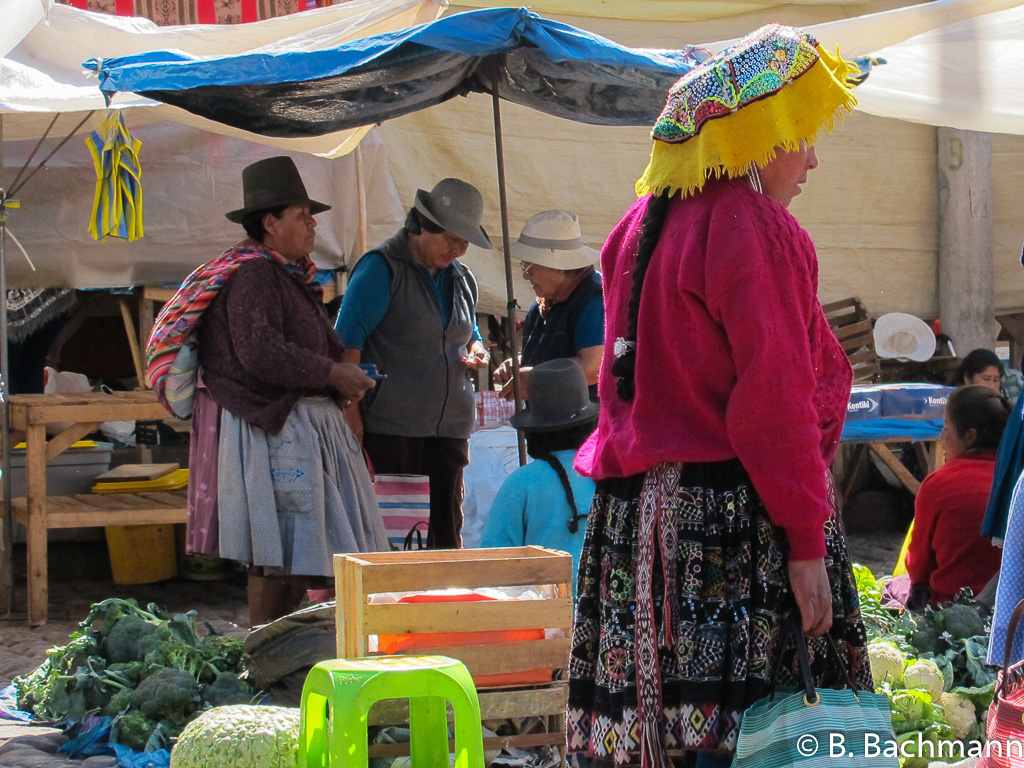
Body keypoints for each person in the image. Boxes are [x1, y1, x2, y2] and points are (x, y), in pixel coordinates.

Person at [566, 25, 871, 768]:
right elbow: (775, 404)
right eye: (799, 134)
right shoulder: (754, 225)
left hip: (633, 522)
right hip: (732, 523)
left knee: (654, 735)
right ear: (758, 140)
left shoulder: (633, 229)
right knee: (756, 736)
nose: (812, 157)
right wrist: (804, 543)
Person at [147, 156, 388, 626]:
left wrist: (337, 374)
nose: (313, 223)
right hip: (274, 427)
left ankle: (276, 646)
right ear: (271, 223)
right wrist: (332, 374)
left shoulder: (284, 275)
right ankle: (262, 646)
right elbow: (259, 352)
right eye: (302, 215)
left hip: (295, 424)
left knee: (293, 551)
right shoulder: (254, 275)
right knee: (280, 549)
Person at [335, 178, 492, 549]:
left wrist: (478, 348)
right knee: (400, 538)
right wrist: (352, 420)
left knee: (445, 533)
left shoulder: (461, 279)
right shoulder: (381, 270)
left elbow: (467, 330)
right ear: (422, 226)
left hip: (449, 431)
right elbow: (346, 346)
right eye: (451, 238)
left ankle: (446, 605)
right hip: (393, 430)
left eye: (464, 242)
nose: (458, 249)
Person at [480, 359, 599, 590]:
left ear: (533, 430)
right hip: (610, 618)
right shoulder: (612, 479)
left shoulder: (521, 483)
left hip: (541, 619)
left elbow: (494, 565)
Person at [905, 386, 1009, 609]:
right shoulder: (1016, 480)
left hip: (952, 616)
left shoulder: (938, 484)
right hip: (1013, 614)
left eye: (946, 429)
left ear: (970, 436)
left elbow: (919, 568)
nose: (941, 438)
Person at [494, 210, 603, 402]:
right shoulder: (544, 303)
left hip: (585, 426)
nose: (525, 276)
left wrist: (535, 377)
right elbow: (551, 357)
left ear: (557, 264)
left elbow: (593, 368)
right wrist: (517, 366)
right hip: (552, 425)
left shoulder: (594, 299)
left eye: (529, 268)